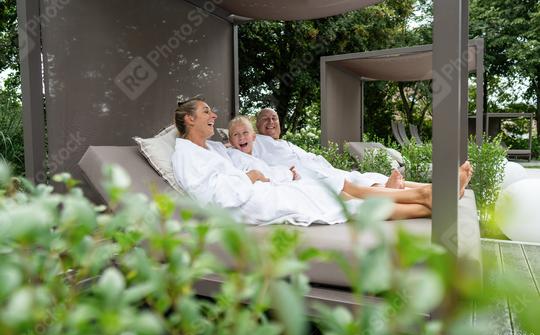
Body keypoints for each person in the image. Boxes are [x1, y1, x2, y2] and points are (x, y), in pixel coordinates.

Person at [171, 97, 470, 224]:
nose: (213, 116)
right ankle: (428, 198)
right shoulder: (185, 154)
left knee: (343, 197)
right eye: (207, 111)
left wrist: (277, 176)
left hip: (265, 189)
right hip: (250, 203)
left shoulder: (212, 149)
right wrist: (249, 178)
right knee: (342, 200)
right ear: (189, 118)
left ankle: (429, 200)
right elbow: (212, 196)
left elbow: (253, 170)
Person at [254, 108, 432, 190]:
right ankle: (387, 188)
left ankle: (431, 188)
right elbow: (236, 146)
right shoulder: (256, 142)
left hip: (319, 168)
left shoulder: (286, 143)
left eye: (274, 118)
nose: (271, 122)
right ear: (256, 125)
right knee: (350, 181)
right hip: (305, 175)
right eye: (265, 119)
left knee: (357, 176)